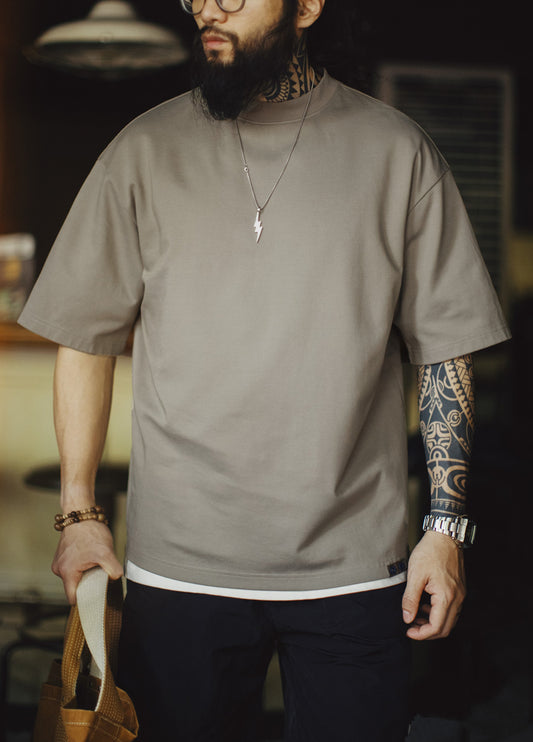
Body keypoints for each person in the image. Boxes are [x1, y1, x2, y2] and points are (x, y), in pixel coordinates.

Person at [19, 0, 511, 739]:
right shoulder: (141, 151)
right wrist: (80, 513)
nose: (207, 8)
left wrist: (446, 529)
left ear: (306, 6)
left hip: (355, 569)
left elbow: (446, 349)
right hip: (178, 569)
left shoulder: (397, 151)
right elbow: (84, 338)